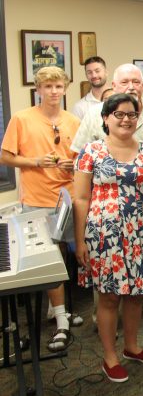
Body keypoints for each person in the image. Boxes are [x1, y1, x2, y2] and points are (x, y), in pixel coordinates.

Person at [73, 93, 143, 382]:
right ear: (105, 118)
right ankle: (110, 355)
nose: (126, 119)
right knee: (109, 296)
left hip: (140, 232)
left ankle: (131, 346)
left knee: (137, 294)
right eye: (119, 114)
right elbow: (79, 199)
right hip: (103, 235)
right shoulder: (90, 152)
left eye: (131, 114)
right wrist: (79, 241)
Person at [0, 66, 82, 351]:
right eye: (48, 87)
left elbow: (80, 158)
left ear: (64, 88)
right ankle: (61, 320)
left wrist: (73, 164)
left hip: (66, 198)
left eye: (58, 86)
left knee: (66, 255)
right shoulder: (22, 119)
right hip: (35, 199)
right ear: (38, 90)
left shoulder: (72, 121)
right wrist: (36, 162)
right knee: (48, 258)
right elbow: (6, 157)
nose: (53, 91)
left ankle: (55, 308)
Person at [72, 63, 143, 168]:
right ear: (114, 86)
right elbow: (79, 157)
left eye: (136, 82)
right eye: (124, 82)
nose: (131, 87)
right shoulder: (94, 114)